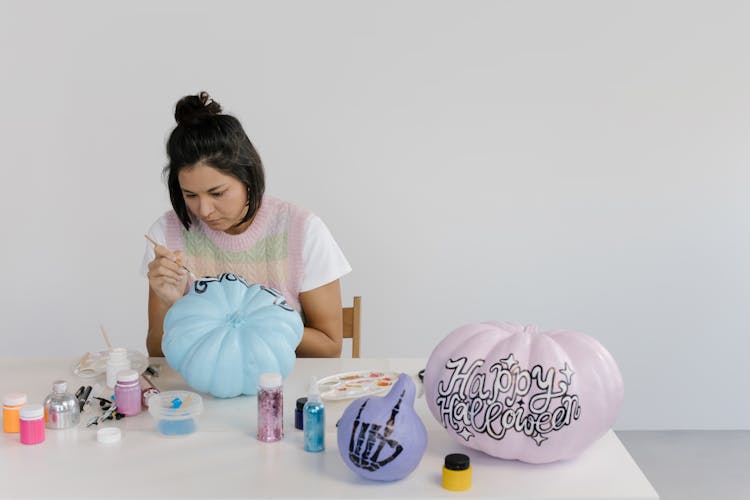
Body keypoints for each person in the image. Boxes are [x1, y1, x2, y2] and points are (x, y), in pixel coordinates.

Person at [142, 91, 351, 358]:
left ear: (248, 177)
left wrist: (242, 321)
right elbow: (157, 351)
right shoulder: (167, 234)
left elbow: (329, 346)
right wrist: (173, 303)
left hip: (282, 387)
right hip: (200, 391)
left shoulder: (302, 230)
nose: (204, 210)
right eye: (190, 195)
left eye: (217, 193)